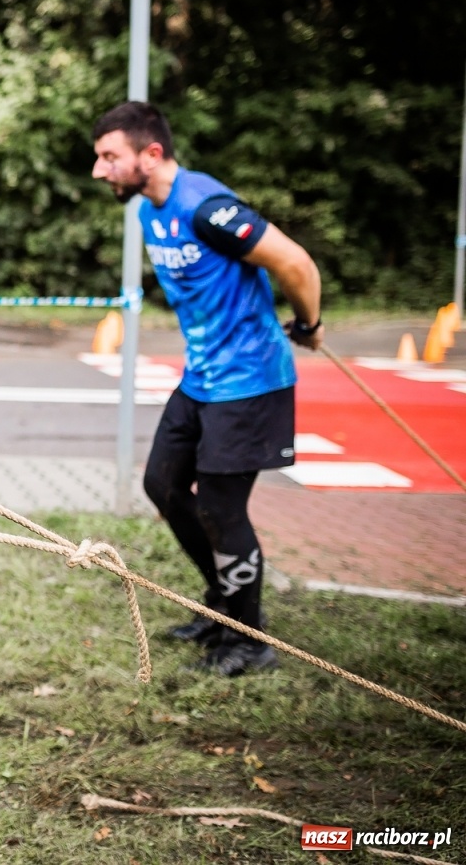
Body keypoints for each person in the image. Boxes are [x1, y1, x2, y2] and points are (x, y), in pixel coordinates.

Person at [91, 101, 324, 677]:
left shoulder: (207, 209)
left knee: (222, 508)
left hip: (249, 383)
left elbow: (295, 263)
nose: (99, 171)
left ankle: (249, 639)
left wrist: (309, 324)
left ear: (152, 153)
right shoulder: (150, 210)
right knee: (163, 485)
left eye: (109, 157)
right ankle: (222, 605)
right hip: (201, 379)